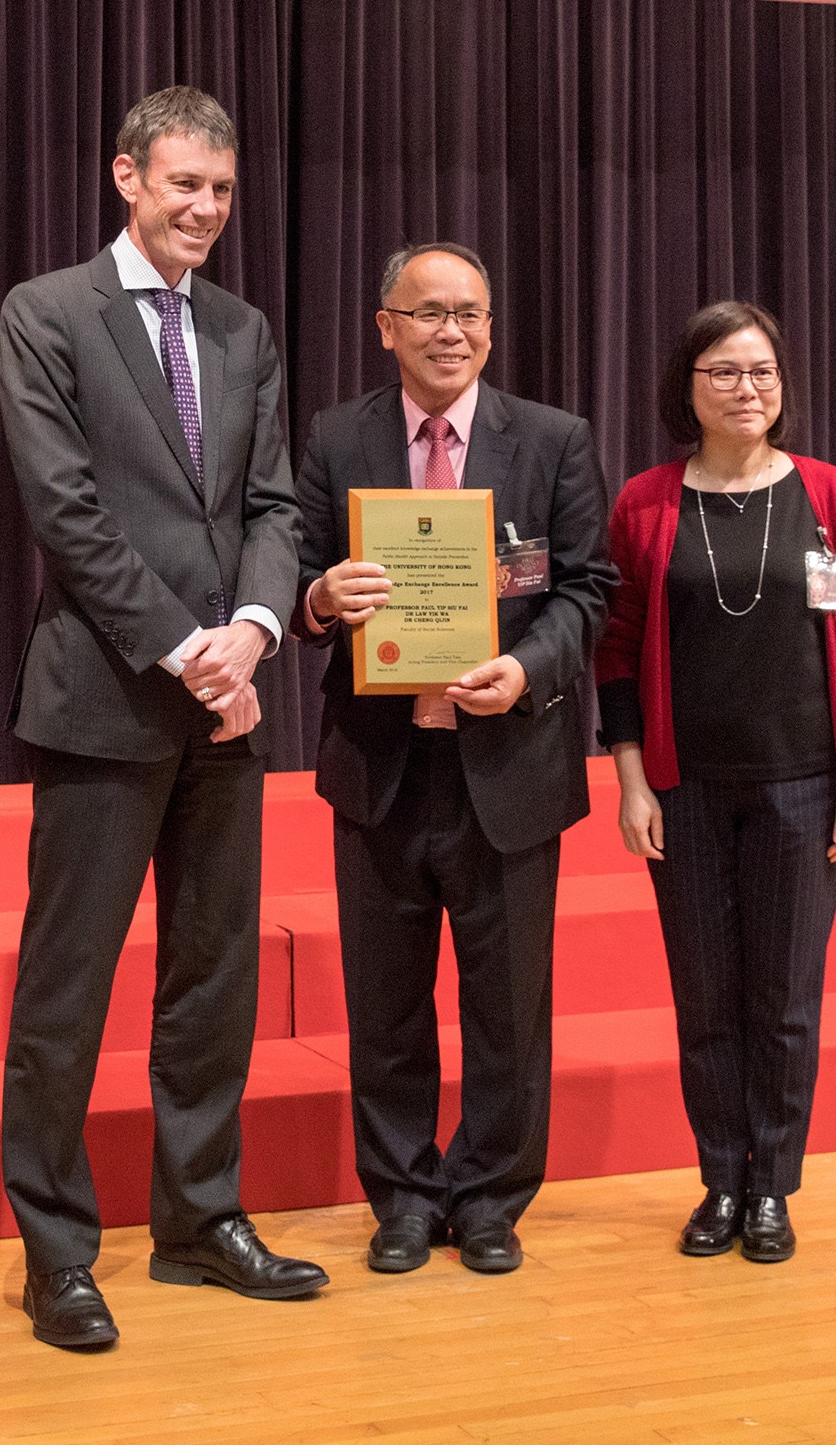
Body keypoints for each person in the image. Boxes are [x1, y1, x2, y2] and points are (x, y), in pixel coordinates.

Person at [0, 85, 320, 1349]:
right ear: (125, 174)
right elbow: (63, 509)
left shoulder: (242, 327)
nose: (205, 208)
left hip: (226, 709)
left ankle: (197, 1219)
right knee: (67, 988)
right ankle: (56, 1251)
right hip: (104, 699)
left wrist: (256, 628)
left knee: (212, 976)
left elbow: (273, 504)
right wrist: (188, 647)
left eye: (222, 189)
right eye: (185, 183)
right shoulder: (45, 312)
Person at [292, 243, 615, 1276]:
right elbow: (295, 573)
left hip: (508, 760)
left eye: (469, 312)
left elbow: (588, 588)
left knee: (506, 1004)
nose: (451, 331)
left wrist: (526, 669)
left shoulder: (553, 439)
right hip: (379, 765)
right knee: (384, 1001)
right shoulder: (335, 436)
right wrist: (317, 598)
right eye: (428, 311)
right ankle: (400, 1196)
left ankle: (488, 1197)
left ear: (490, 327)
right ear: (384, 325)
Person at [595, 299, 836, 1267]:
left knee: (785, 999)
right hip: (685, 789)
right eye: (722, 370)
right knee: (706, 997)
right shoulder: (646, 502)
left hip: (801, 783)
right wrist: (633, 781)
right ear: (688, 387)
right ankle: (720, 1177)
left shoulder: (825, 493)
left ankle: (773, 1187)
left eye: (760, 370)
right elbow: (617, 651)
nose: (745, 388)